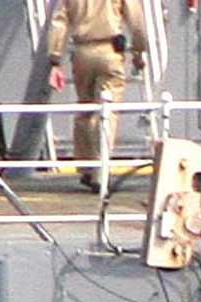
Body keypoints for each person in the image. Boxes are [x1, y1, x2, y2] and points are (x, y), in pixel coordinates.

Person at [46, 0, 147, 187]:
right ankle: (101, 172)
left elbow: (59, 22)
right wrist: (138, 51)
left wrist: (55, 58)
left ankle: (85, 166)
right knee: (107, 113)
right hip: (109, 52)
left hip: (82, 52)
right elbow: (136, 20)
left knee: (85, 109)